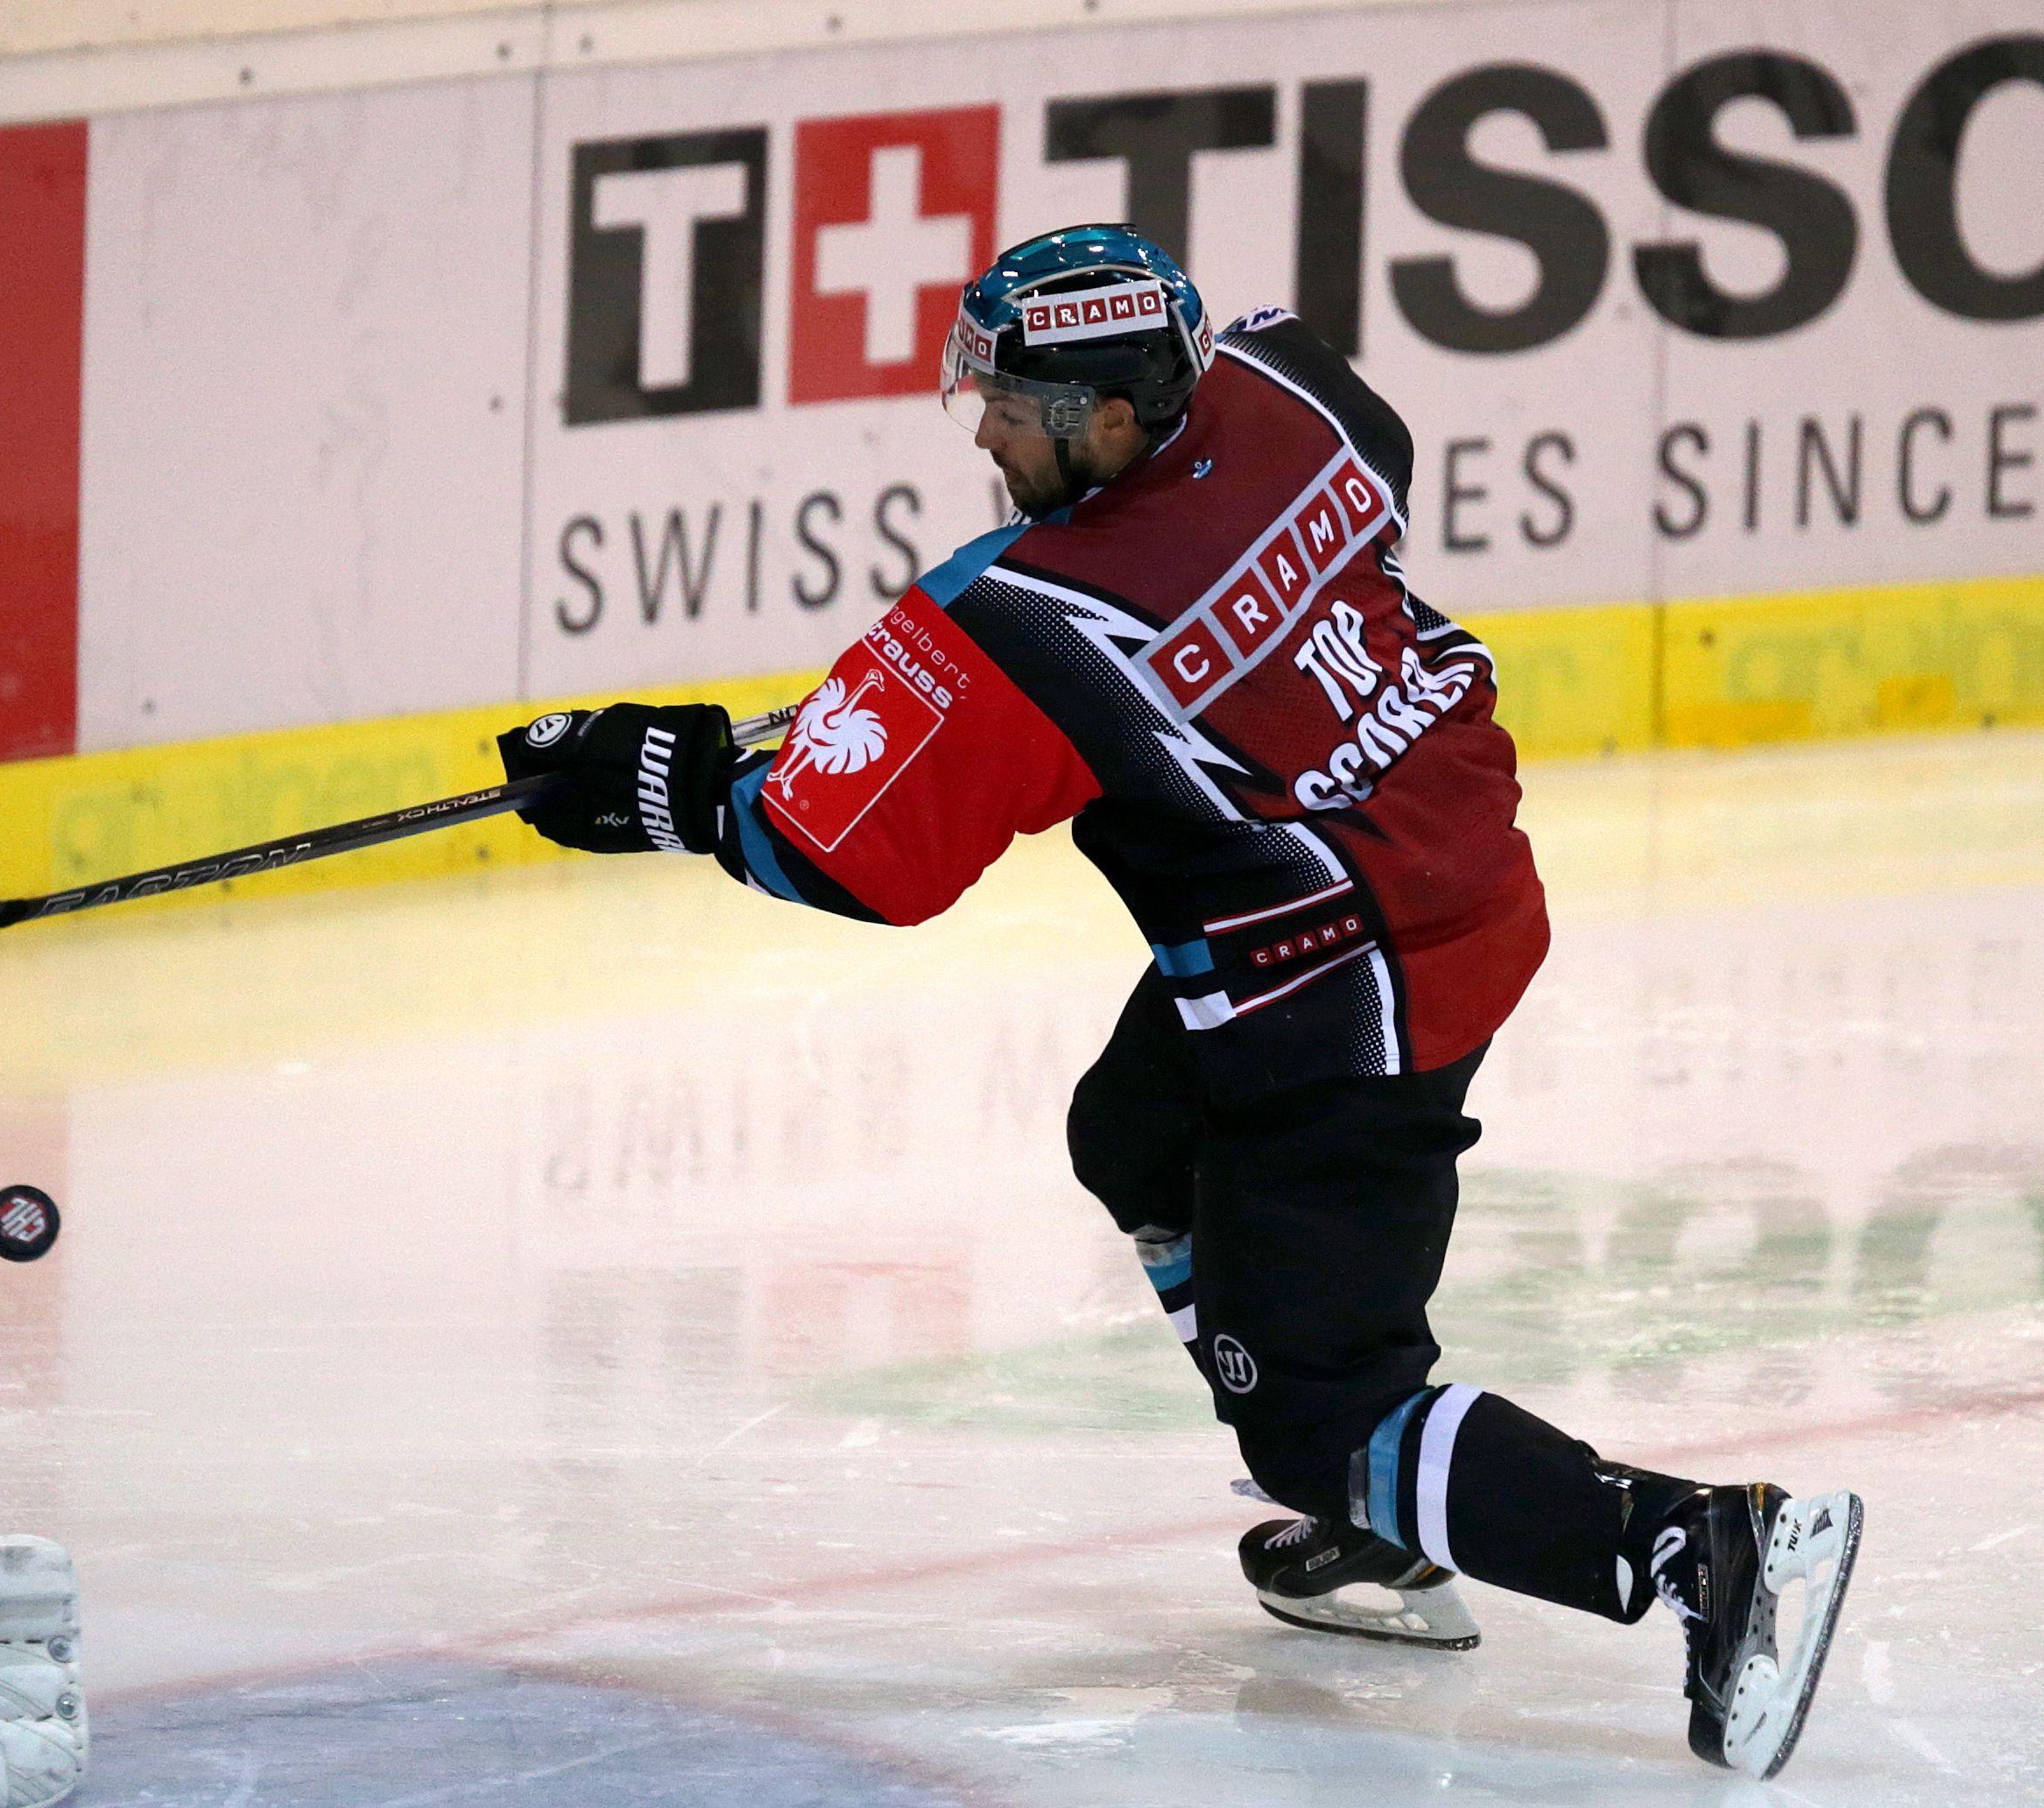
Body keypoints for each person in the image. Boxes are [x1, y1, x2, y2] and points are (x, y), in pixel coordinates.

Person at [494, 224, 1862, 1779]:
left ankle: (1696, 1548)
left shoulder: (1022, 619)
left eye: (1011, 407)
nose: (987, 434)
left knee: (1324, 1414)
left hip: (1344, 995)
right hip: (1443, 861)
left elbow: (849, 857)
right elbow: (1285, 524)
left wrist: (662, 786)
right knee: (1136, 1132)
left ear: (1110, 415)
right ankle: (1374, 1520)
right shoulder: (1286, 386)